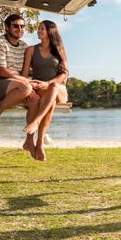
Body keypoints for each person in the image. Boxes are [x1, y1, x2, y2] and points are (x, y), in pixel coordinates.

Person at [0, 14, 39, 155]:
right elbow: (1, 71)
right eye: (16, 26)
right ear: (7, 27)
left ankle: (29, 141)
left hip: (18, 85)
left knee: (35, 100)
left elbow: (29, 72)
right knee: (26, 87)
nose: (19, 29)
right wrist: (25, 83)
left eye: (22, 26)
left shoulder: (24, 46)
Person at [20, 20, 69, 161]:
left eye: (42, 29)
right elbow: (24, 74)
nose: (39, 31)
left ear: (50, 32)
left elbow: (65, 73)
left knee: (52, 88)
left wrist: (47, 83)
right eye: (38, 28)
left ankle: (36, 124)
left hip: (58, 89)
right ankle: (37, 143)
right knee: (49, 102)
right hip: (39, 88)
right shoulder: (31, 50)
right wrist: (27, 88)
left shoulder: (59, 49)